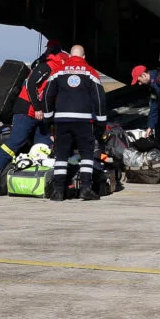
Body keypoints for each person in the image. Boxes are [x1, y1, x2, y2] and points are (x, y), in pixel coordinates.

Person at [40, 42, 109, 201]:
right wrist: (100, 125)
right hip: (83, 121)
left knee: (61, 155)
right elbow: (100, 100)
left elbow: (47, 95)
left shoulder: (58, 72)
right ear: (84, 57)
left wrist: (48, 119)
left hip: (62, 120)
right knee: (86, 155)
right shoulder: (91, 73)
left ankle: (58, 191)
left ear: (70, 56)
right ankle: (85, 189)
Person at [0, 47, 56, 188]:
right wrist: (38, 108)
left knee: (42, 146)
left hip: (40, 114)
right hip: (27, 111)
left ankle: (39, 178)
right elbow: (30, 85)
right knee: (16, 141)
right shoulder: (47, 66)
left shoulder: (46, 65)